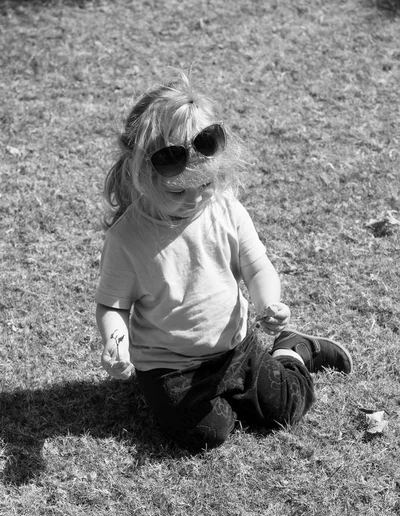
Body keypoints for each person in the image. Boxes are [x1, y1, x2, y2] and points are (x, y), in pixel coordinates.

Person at [95, 71, 352, 452]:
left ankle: (294, 348)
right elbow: (112, 305)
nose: (196, 198)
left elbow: (257, 267)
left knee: (286, 406)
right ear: (143, 175)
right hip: (169, 366)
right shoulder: (127, 239)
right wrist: (115, 341)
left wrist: (269, 303)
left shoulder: (225, 209)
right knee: (206, 433)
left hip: (236, 346)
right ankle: (223, 397)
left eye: (206, 184)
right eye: (179, 190)